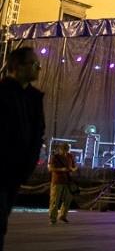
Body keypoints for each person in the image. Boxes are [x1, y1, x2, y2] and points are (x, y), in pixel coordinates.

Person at [0, 46, 45, 249]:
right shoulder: (2, 93)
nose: (38, 69)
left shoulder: (34, 98)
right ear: (17, 66)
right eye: (34, 64)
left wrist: (28, 163)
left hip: (16, 171)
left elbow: (37, 133)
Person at [48, 142, 77, 224]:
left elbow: (75, 166)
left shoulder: (70, 156)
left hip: (67, 181)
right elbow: (50, 168)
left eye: (66, 150)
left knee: (68, 199)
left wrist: (73, 169)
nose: (65, 152)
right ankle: (52, 219)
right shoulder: (55, 157)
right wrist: (61, 170)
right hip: (57, 181)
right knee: (54, 201)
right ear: (60, 150)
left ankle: (62, 216)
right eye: (64, 150)